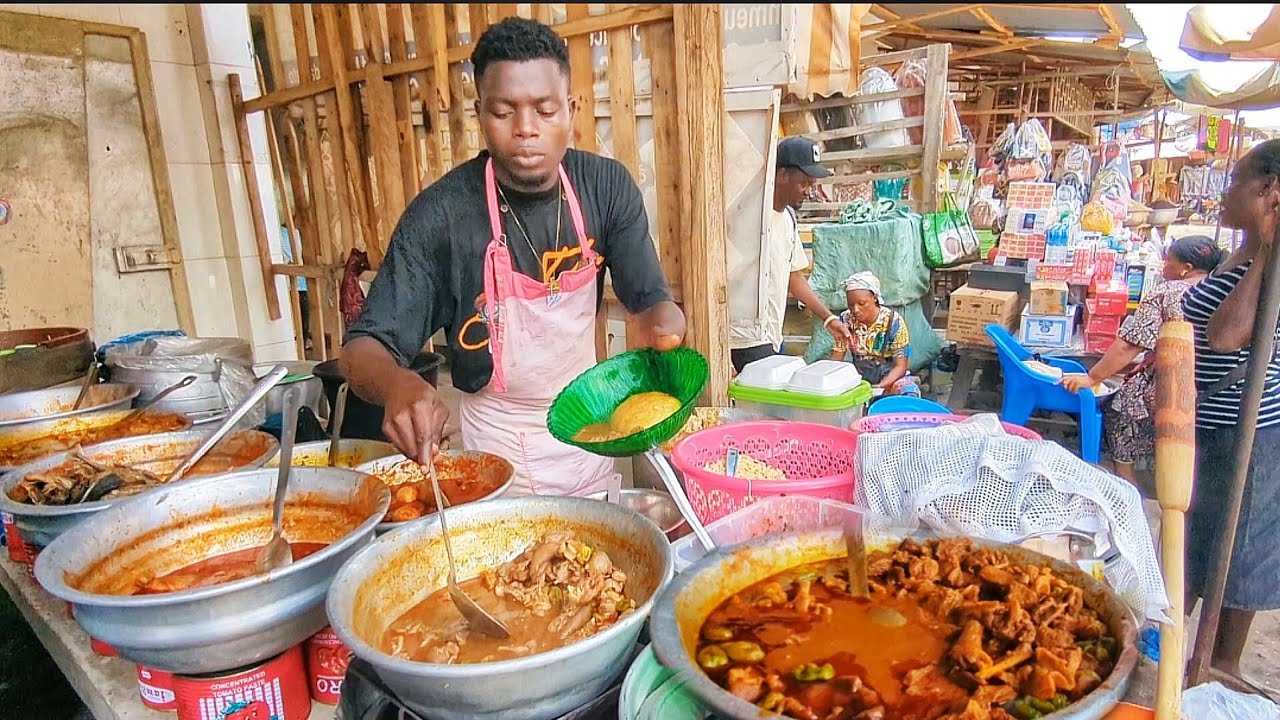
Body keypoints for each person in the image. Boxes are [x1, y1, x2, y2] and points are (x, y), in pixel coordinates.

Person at [339, 17, 685, 497]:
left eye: (545, 110)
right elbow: (361, 350)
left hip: (591, 434)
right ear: (480, 113)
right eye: (504, 112)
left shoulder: (606, 188)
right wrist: (397, 385)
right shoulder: (441, 216)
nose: (526, 130)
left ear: (572, 109)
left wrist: (663, 323)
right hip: (496, 457)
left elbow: (649, 301)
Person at [1178, 138, 1280, 679]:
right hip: (1212, 428)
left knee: (1240, 553)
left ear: (1270, 191)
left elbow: (1226, 335)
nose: (1224, 190)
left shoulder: (1271, 259)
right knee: (1201, 540)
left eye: (1237, 180)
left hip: (1252, 434)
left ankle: (1218, 667)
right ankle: (1180, 654)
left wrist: (1269, 247)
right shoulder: (1239, 252)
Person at [1060, 235, 1225, 484]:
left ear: (1185, 269)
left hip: (1171, 385)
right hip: (1213, 387)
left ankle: (1128, 486)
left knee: (1121, 409)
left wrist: (1091, 377)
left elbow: (1129, 345)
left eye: (1168, 261)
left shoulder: (1166, 292)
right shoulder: (1223, 289)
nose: (1163, 265)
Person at [730, 137, 851, 373]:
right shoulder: (747, 217)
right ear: (782, 174)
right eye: (804, 183)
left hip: (772, 335)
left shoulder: (788, 218)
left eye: (811, 184)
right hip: (743, 339)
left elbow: (793, 277)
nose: (808, 191)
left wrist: (829, 319)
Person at [828, 271, 921, 397]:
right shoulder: (846, 320)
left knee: (908, 391)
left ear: (874, 298)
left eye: (861, 303)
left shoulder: (893, 321)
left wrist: (880, 386)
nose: (855, 310)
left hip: (889, 375)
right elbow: (837, 357)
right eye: (851, 305)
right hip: (859, 374)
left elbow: (900, 366)